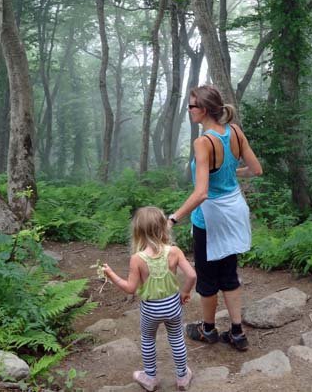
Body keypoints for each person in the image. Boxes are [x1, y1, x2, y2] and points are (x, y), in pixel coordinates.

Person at [168, 84, 263, 352]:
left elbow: (201, 193)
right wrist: (231, 174)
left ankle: (208, 329)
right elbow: (256, 169)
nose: (188, 110)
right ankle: (237, 332)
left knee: (208, 277)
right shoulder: (234, 132)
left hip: (210, 218)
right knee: (229, 272)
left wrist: (173, 218)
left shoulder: (203, 142)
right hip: (234, 211)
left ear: (204, 110)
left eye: (191, 106)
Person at [102, 206, 196, 392]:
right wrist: (185, 293)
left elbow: (130, 289)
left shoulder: (137, 259)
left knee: (147, 339)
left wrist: (111, 275)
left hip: (150, 310)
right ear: (163, 227)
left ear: (138, 232)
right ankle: (182, 377)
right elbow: (192, 276)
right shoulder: (174, 251)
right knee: (177, 338)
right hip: (173, 306)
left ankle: (150, 377)